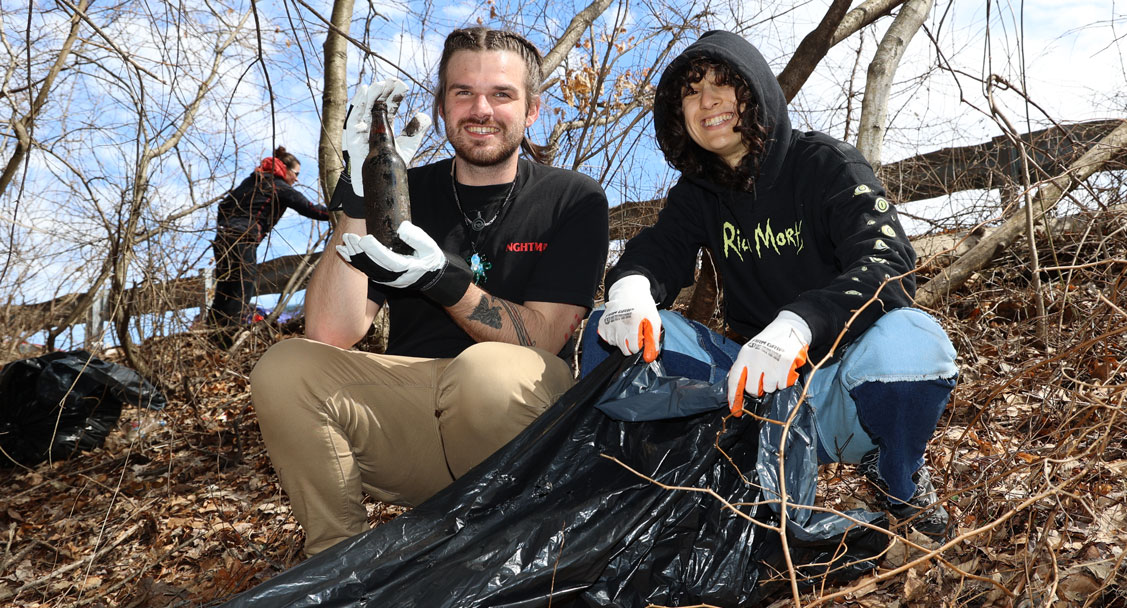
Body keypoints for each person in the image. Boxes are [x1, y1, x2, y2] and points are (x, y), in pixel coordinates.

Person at [250, 28, 609, 557]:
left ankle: (501, 552)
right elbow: (329, 332)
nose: (480, 109)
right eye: (462, 92)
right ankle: (337, 571)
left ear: (532, 110)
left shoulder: (572, 197)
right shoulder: (401, 190)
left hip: (517, 421)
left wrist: (444, 283)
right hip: (414, 427)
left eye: (501, 94)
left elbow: (545, 337)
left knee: (482, 372)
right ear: (441, 107)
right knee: (284, 367)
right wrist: (354, 201)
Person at [597, 30, 958, 538]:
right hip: (754, 395)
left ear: (756, 91)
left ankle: (895, 478)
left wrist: (799, 324)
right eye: (691, 92)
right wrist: (631, 286)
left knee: (914, 343)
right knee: (607, 334)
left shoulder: (825, 164)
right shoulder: (697, 194)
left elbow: (888, 261)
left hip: (844, 389)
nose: (708, 102)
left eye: (725, 84)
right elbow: (661, 250)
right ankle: (666, 485)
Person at [209, 146, 330, 341]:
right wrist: (338, 212)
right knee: (242, 287)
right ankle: (227, 338)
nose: (297, 179)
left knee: (225, 286)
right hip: (243, 239)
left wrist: (227, 226)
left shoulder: (252, 181)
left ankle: (212, 333)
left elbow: (224, 205)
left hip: (223, 239)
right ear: (286, 170)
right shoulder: (278, 185)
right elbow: (310, 209)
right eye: (296, 174)